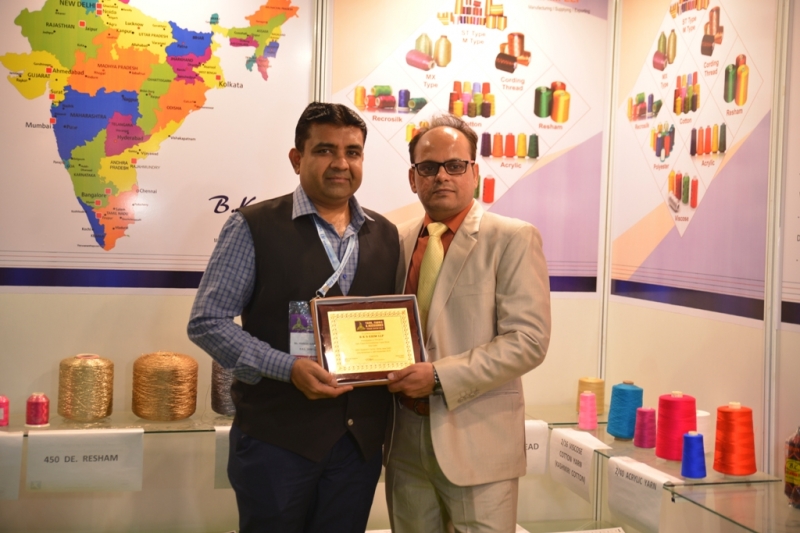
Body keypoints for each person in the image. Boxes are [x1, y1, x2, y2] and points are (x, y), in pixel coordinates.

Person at [188, 102, 399, 532]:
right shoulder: (252, 226)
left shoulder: (385, 233)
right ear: (296, 158)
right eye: (325, 150)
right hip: (276, 444)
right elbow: (207, 322)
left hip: (357, 447)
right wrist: (287, 368)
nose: (341, 163)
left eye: (353, 152)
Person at [385, 114, 551, 532]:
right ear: (413, 178)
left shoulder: (512, 237)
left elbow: (528, 341)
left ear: (474, 173)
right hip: (404, 439)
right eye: (428, 167)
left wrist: (438, 377)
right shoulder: (396, 240)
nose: (441, 176)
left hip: (480, 442)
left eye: (455, 165)